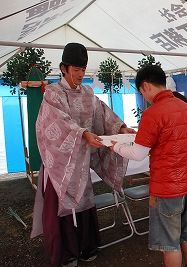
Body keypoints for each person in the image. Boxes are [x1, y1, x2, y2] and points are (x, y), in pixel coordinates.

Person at [30, 42, 135, 267]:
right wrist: (83, 134)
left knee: (84, 201)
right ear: (64, 68)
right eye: (75, 69)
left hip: (81, 160)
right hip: (60, 162)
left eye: (83, 70)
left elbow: (102, 113)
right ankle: (66, 252)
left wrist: (121, 128)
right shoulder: (52, 94)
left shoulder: (88, 93)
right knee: (64, 205)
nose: (80, 74)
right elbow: (56, 123)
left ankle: (87, 246)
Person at [110, 65, 187, 267]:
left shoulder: (153, 113)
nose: (143, 96)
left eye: (141, 92)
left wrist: (117, 147)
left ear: (146, 86)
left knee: (170, 243)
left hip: (167, 189)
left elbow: (138, 154)